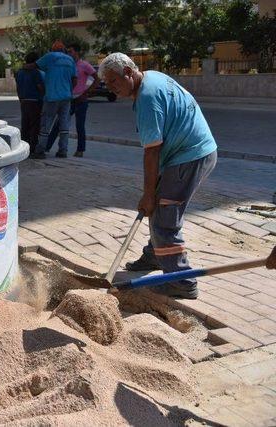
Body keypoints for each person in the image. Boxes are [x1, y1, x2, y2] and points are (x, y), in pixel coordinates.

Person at [99, 52, 217, 299]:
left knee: (164, 216)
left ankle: (181, 281)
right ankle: (155, 255)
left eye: (114, 82)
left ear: (129, 73)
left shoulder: (147, 100)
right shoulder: (152, 77)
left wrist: (148, 195)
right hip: (191, 152)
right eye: (107, 84)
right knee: (163, 208)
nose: (111, 88)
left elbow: (151, 153)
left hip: (189, 157)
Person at [45, 43, 99, 157]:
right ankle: (47, 147)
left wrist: (87, 92)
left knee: (80, 126)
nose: (68, 53)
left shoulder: (84, 65)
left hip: (81, 100)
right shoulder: (67, 64)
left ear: (76, 52)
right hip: (67, 99)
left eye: (71, 51)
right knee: (58, 124)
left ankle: (80, 150)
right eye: (67, 51)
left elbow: (97, 78)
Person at [30, 40, 77, 159]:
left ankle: (40, 150)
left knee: (46, 124)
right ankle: (63, 151)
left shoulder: (50, 56)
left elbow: (34, 66)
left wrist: (25, 66)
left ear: (53, 49)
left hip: (52, 97)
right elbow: (74, 80)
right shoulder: (70, 59)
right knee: (64, 125)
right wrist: (68, 90)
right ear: (63, 50)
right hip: (66, 97)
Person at [15, 52, 45, 154]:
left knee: (25, 125)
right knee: (34, 126)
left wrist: (21, 99)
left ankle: (23, 147)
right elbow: (40, 87)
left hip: (23, 101)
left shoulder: (20, 72)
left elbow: (18, 88)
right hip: (35, 101)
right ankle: (32, 148)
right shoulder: (35, 72)